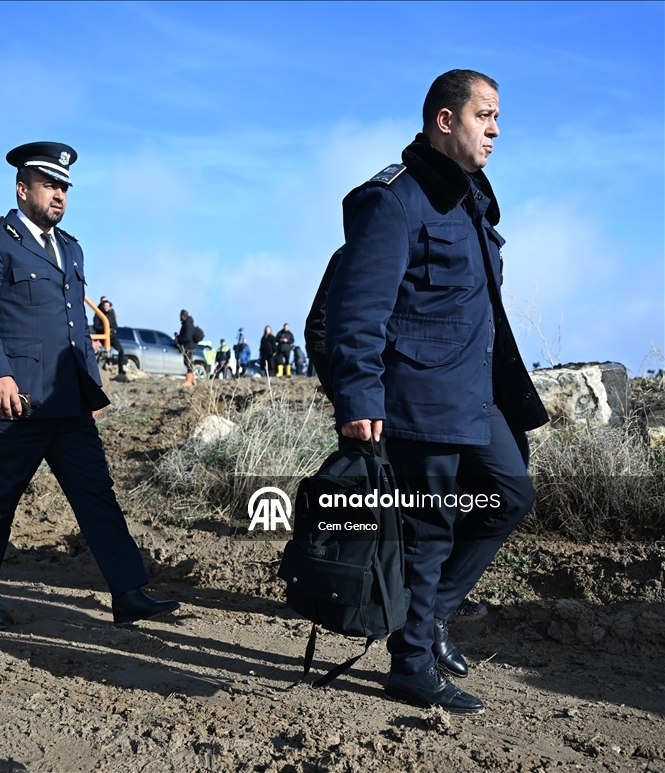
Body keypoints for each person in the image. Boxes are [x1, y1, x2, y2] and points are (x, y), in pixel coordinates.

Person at [322, 70, 549, 714]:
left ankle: (433, 616)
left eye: (498, 116)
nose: (497, 129)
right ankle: (412, 665)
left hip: (476, 394)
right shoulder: (393, 200)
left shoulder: (471, 196)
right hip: (419, 397)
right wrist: (359, 398)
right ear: (445, 121)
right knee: (428, 530)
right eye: (485, 115)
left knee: (511, 495)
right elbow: (357, 311)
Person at [0, 141, 178, 629]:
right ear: (22, 189)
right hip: (19, 403)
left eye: (64, 188)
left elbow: (75, 326)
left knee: (97, 496)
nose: (58, 195)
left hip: (70, 402)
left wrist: (91, 388)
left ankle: (129, 593)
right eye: (49, 185)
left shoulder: (71, 247)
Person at [92, 298, 126, 376]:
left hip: (111, 336)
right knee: (101, 353)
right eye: (105, 305)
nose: (107, 307)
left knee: (121, 350)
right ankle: (100, 370)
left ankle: (121, 370)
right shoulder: (98, 314)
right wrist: (105, 328)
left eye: (108, 305)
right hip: (102, 337)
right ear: (102, 306)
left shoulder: (111, 314)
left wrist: (111, 329)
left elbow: (115, 325)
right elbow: (96, 326)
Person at [176, 310, 198, 386]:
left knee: (188, 363)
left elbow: (187, 337)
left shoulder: (187, 324)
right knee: (188, 363)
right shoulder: (189, 323)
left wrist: (179, 339)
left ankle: (189, 381)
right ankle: (192, 380)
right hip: (190, 346)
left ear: (183, 316)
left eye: (180, 316)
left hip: (188, 347)